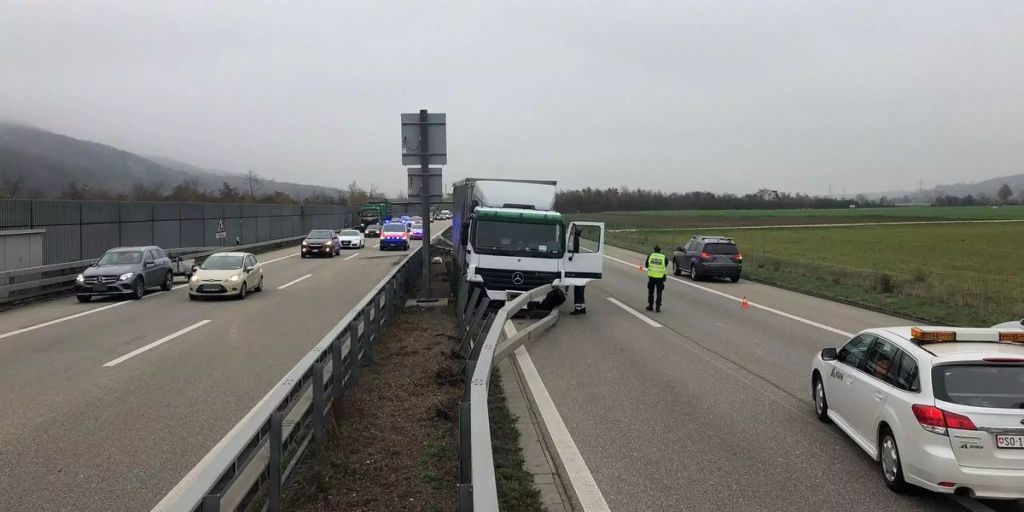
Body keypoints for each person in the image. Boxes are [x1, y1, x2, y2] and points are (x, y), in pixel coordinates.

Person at [645, 245, 667, 312]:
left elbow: (646, 265)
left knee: (651, 291)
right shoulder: (663, 257)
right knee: (659, 292)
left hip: (651, 277)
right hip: (660, 277)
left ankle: (650, 306)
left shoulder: (650, 256)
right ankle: (658, 307)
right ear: (660, 250)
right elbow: (666, 264)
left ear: (654, 250)